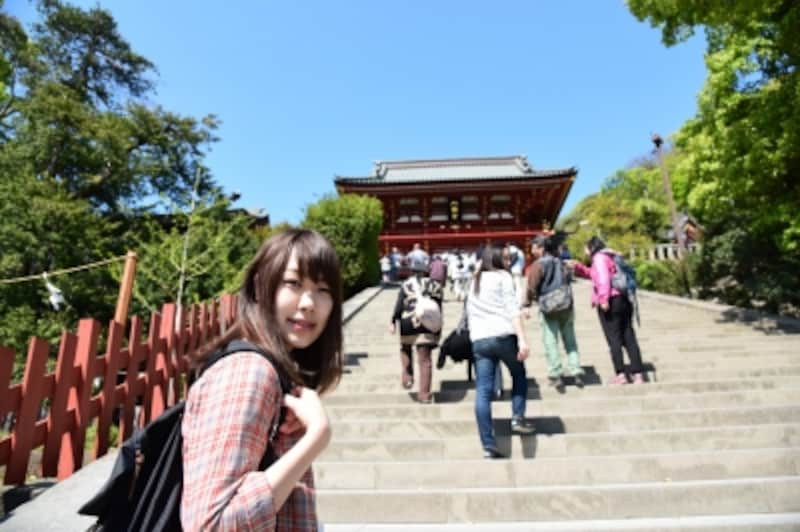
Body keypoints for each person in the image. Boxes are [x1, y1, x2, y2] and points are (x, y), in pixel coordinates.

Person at [181, 229, 343, 531]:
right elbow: (211, 525)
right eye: (293, 283)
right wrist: (315, 438)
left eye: (323, 289)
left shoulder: (277, 373)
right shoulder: (248, 371)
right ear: (260, 287)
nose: (309, 302)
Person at [466, 245, 535, 459]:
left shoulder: (474, 281)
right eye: (505, 258)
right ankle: (517, 417)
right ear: (495, 259)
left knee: (483, 391)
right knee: (518, 374)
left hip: (479, 340)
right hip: (503, 335)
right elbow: (512, 310)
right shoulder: (502, 277)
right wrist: (523, 339)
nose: (508, 262)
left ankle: (488, 444)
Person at [569, 236, 645, 385]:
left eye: (586, 247)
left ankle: (621, 373)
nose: (584, 251)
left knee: (614, 338)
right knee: (628, 335)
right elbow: (595, 274)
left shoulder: (598, 258)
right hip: (623, 298)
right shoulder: (611, 255)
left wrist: (603, 299)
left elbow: (603, 278)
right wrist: (579, 267)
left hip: (611, 300)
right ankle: (638, 374)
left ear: (592, 247)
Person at [524, 235, 584, 392]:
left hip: (549, 307)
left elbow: (531, 287)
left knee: (550, 340)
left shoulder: (538, 265)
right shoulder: (561, 262)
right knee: (570, 340)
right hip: (566, 304)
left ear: (541, 248)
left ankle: (556, 374)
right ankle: (576, 369)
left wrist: (527, 304)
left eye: (534, 247)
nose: (532, 250)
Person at [389, 259, 443, 403]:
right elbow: (438, 309)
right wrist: (438, 331)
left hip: (408, 321)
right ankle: (424, 395)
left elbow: (399, 304)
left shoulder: (406, 285)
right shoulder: (436, 285)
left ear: (412, 271)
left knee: (405, 348)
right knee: (425, 360)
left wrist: (394, 321)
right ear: (427, 271)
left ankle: (407, 376)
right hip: (427, 322)